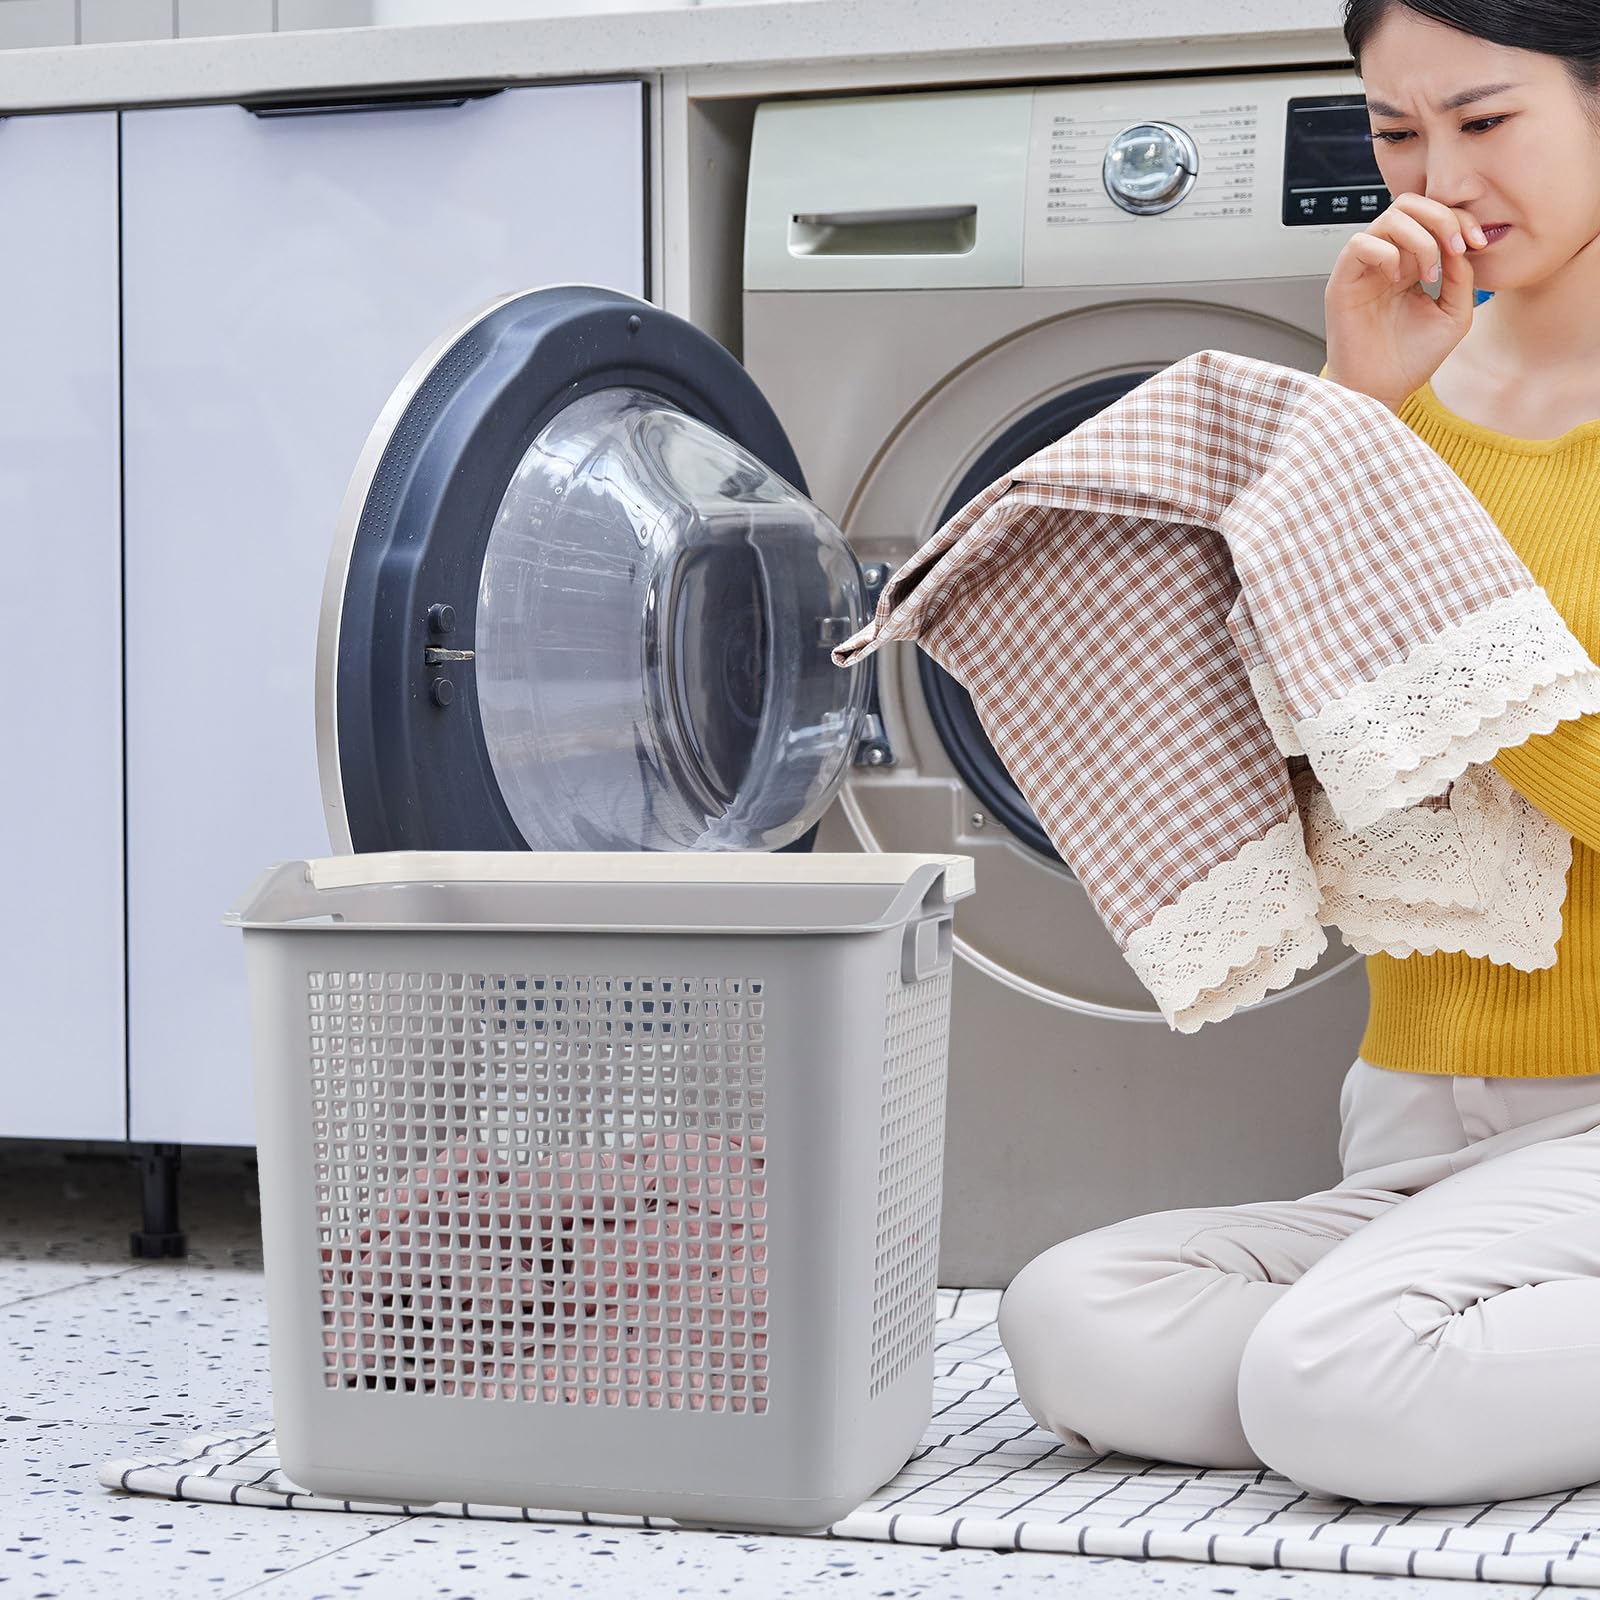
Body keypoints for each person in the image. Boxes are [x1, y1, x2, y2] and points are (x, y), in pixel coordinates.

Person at [996, 0, 1600, 1507]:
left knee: (1336, 1381)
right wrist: (1352, 420)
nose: (1437, 179)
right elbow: (1285, 758)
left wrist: (1426, 652)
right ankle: (1419, 1359)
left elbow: (1426, 702)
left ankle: (1385, 1364)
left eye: (1483, 121)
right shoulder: (1392, 411)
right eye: (1397, 134)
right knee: (1072, 1321)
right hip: (1414, 1118)